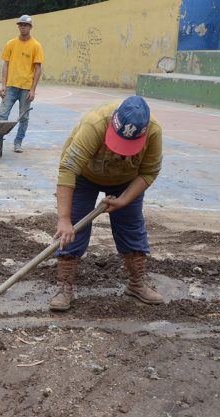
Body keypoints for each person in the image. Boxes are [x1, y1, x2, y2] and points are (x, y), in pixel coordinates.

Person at [49, 96, 164, 311]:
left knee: (131, 227)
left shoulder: (153, 131)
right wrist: (64, 219)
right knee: (72, 228)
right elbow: (68, 168)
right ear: (114, 123)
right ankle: (64, 286)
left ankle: (136, 283)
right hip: (85, 175)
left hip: (126, 180)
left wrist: (124, 200)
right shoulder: (95, 124)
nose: (121, 151)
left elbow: (149, 172)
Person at [0, 14, 44, 154]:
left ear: (30, 27)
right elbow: (6, 65)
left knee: (24, 117)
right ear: (18, 27)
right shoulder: (11, 44)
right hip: (10, 86)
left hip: (26, 89)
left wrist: (33, 90)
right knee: (1, 115)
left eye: (25, 25)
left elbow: (38, 69)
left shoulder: (36, 46)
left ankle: (18, 143)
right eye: (20, 25)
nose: (23, 27)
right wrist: (3, 85)